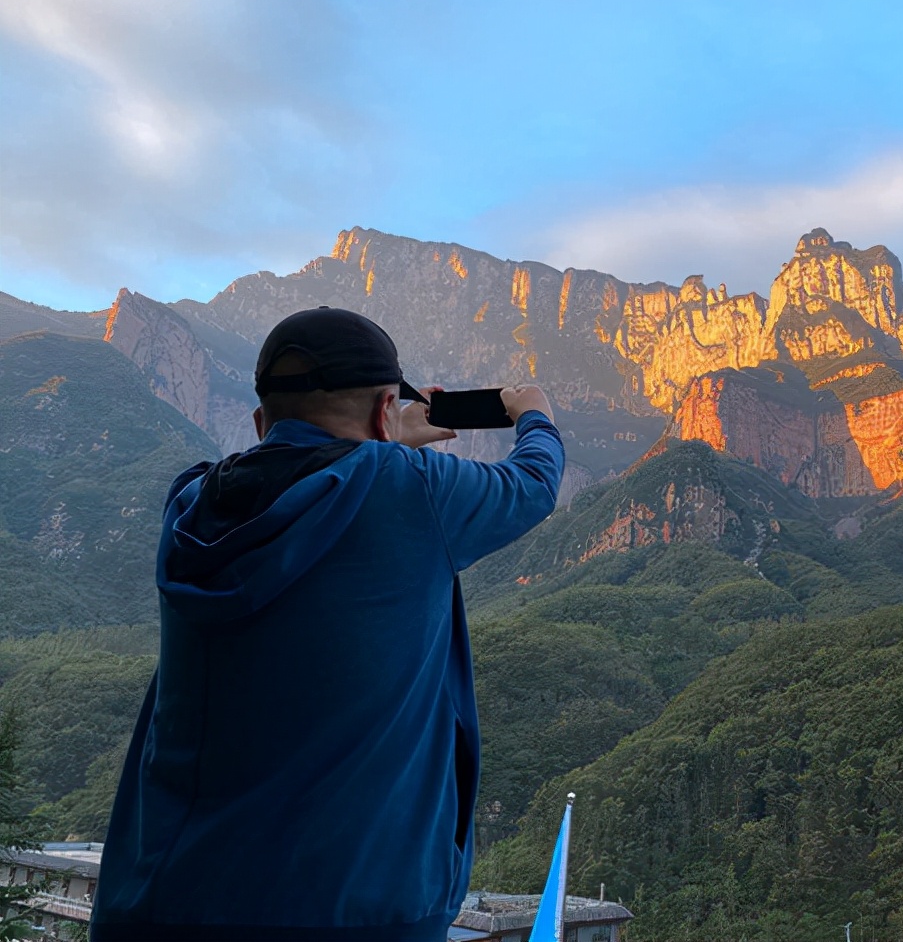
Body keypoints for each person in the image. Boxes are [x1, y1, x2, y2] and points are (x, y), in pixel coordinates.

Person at [90, 306, 564, 942]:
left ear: (261, 421)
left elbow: (300, 475)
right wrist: (532, 410)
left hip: (162, 900)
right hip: (352, 908)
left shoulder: (190, 503)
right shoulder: (408, 486)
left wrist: (380, 441)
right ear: (383, 410)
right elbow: (533, 482)